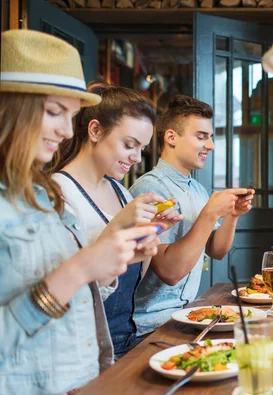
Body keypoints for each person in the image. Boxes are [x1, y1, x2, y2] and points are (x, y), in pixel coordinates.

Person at [0, 30, 160, 393]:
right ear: (11, 108)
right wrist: (80, 268)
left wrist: (112, 265)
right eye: (55, 112)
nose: (64, 129)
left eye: (70, 115)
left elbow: (74, 307)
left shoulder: (41, 195)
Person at [50, 82, 181, 358]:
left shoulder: (120, 192)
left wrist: (153, 230)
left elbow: (133, 277)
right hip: (84, 350)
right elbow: (62, 294)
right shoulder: (58, 192)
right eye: (129, 145)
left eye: (142, 149)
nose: (136, 158)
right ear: (95, 130)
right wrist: (120, 225)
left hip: (126, 339)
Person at [129, 95, 254, 335]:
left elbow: (216, 251)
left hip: (188, 314)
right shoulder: (148, 190)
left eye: (210, 137)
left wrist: (232, 215)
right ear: (171, 137)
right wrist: (209, 213)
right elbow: (170, 273)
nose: (211, 146)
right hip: (150, 327)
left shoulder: (197, 189)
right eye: (201, 137)